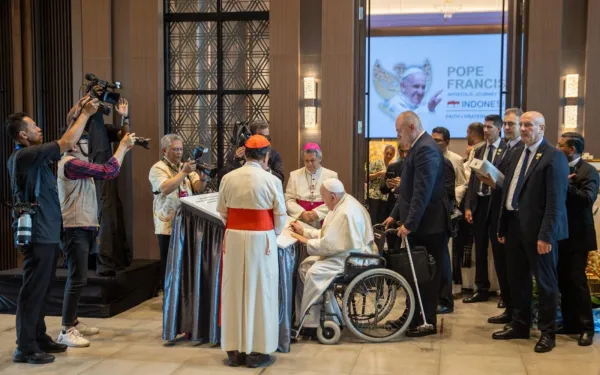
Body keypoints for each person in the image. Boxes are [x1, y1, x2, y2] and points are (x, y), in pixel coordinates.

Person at [5, 96, 99, 364]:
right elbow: (67, 143)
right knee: (33, 288)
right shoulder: (24, 155)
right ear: (23, 134)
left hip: (48, 231)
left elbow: (62, 141)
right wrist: (85, 115)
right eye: (34, 126)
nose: (39, 129)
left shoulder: (35, 155)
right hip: (37, 233)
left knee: (44, 287)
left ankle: (39, 335)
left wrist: (77, 115)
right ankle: (25, 347)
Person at [493, 111, 569, 353]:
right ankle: (520, 324)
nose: (523, 129)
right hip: (514, 226)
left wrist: (546, 235)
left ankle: (548, 332)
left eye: (529, 125)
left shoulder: (553, 157)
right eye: (521, 125)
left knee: (546, 283)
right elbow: (509, 190)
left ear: (542, 128)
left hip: (539, 232)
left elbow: (555, 202)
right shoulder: (516, 152)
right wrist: (503, 226)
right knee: (518, 280)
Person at [56, 132, 136, 347]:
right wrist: (122, 147)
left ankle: (73, 320)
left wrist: (125, 145)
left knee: (79, 277)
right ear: (73, 146)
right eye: (82, 143)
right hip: (74, 228)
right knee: (76, 278)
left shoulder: (76, 164)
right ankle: (66, 329)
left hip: (83, 226)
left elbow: (108, 169)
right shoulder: (70, 164)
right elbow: (108, 171)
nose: (87, 147)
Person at [217, 135, 286, 368]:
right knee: (261, 291)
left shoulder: (228, 178)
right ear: (266, 157)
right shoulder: (271, 180)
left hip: (234, 238)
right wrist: (272, 232)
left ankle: (234, 351)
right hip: (261, 241)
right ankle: (257, 351)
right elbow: (280, 218)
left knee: (234, 290)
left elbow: (223, 212)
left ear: (244, 154)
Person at [383, 111, 449, 337]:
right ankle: (412, 316)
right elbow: (406, 190)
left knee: (426, 277)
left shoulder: (426, 149)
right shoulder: (418, 148)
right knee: (414, 276)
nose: (397, 136)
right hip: (421, 224)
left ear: (411, 128)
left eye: (398, 132)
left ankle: (426, 321)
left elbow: (422, 191)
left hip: (429, 226)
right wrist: (394, 214)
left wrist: (409, 223)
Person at [290, 178, 376, 335]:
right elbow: (328, 235)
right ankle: (320, 316)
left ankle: (314, 322)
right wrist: (304, 231)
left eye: (323, 198)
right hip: (346, 254)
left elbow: (329, 245)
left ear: (333, 197)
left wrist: (306, 241)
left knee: (313, 272)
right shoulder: (342, 203)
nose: (323, 202)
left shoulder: (344, 212)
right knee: (306, 266)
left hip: (352, 258)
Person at [69, 94, 132, 277]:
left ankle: (105, 260)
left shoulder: (102, 132)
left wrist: (124, 116)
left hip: (100, 177)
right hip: (77, 182)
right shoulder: (73, 131)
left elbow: (124, 136)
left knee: (105, 212)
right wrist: (84, 102)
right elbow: (70, 119)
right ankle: (81, 259)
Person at [478, 107, 524, 323]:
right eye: (505, 123)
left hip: (516, 219)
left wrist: (498, 183)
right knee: (502, 264)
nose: (507, 128)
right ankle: (509, 308)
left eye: (511, 124)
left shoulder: (522, 149)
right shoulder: (507, 149)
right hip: (499, 215)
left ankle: (517, 314)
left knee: (514, 269)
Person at [149, 134, 208, 292]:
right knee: (170, 262)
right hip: (167, 223)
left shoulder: (185, 166)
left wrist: (203, 179)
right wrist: (183, 172)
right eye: (175, 149)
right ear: (164, 150)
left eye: (181, 149)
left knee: (186, 261)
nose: (179, 153)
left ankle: (184, 297)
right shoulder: (158, 168)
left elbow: (197, 188)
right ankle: (169, 298)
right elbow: (165, 188)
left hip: (187, 221)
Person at [556, 132, 598, 346]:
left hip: (578, 236)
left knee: (577, 282)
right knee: (563, 281)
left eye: (560, 144)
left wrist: (566, 185)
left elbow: (587, 199)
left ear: (571, 148)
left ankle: (586, 328)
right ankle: (570, 322)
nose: (557, 147)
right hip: (560, 234)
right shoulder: (560, 167)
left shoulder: (588, 171)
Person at [463, 114, 506, 304]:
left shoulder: (506, 150)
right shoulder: (479, 150)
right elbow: (472, 180)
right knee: (478, 249)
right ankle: (481, 288)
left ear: (499, 129)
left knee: (498, 251)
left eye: (490, 127)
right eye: (485, 127)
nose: (486, 130)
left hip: (496, 204)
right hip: (479, 204)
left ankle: (506, 293)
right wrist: (468, 206)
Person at [285, 143, 338, 228]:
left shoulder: (331, 176)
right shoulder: (294, 175)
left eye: (312, 160)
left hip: (323, 220)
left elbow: (335, 201)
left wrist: (317, 213)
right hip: (301, 220)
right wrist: (302, 213)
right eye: (306, 161)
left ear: (320, 158)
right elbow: (289, 200)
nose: (309, 164)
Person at [432, 127, 467, 206]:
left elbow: (461, 183)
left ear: (447, 142)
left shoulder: (456, 159)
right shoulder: (425, 158)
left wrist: (453, 199)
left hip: (447, 203)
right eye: (432, 140)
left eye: (437, 140)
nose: (434, 143)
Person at [367, 145, 396, 225]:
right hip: (374, 196)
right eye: (387, 153)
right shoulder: (376, 163)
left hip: (385, 198)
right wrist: (379, 174)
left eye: (391, 154)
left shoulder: (391, 167)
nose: (388, 156)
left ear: (393, 155)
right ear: (384, 153)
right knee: (373, 219)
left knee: (381, 220)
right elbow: (366, 177)